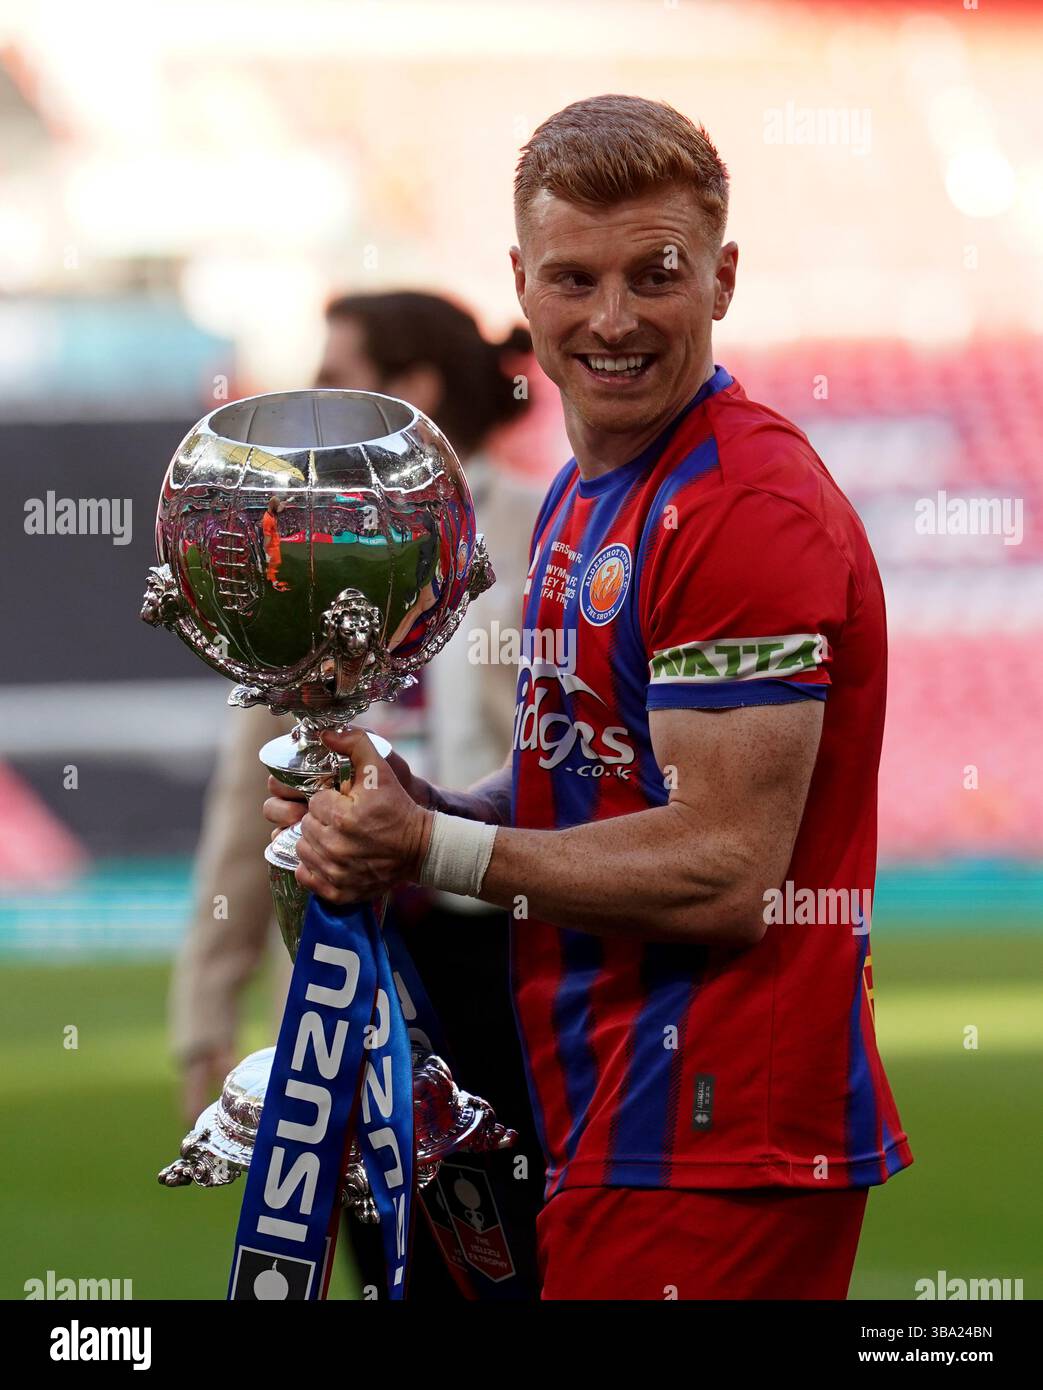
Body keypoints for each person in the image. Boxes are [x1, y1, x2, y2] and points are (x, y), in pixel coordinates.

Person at [264, 94, 914, 1301]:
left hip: (716, 1132)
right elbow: (587, 785)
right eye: (572, 279)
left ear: (721, 277)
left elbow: (725, 866)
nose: (610, 321)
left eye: (653, 276)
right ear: (519, 281)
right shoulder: (581, 493)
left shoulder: (741, 513)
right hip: (612, 1107)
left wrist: (435, 845)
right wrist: (415, 805)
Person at [170, 290, 546, 1298]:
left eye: (336, 376)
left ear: (408, 391)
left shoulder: (543, 528)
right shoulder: (290, 550)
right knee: (384, 1256)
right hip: (345, 948)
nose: (315, 397)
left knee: (511, 1251)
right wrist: (208, 997)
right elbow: (247, 788)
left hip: (502, 946)